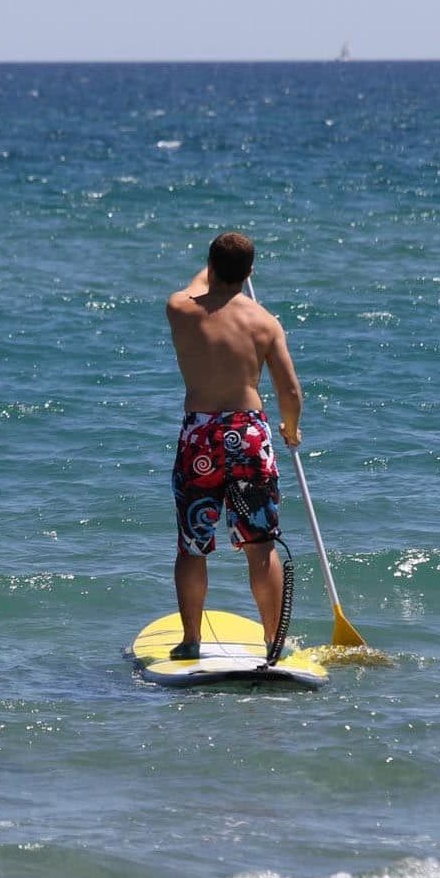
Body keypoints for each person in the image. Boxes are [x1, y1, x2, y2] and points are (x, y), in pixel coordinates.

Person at [165, 232, 301, 659]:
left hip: (200, 434)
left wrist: (214, 264)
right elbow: (290, 392)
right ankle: (271, 643)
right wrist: (291, 428)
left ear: (209, 265)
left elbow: (196, 285)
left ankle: (191, 641)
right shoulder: (265, 322)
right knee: (260, 548)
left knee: (192, 546)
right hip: (250, 435)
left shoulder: (182, 310)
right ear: (250, 274)